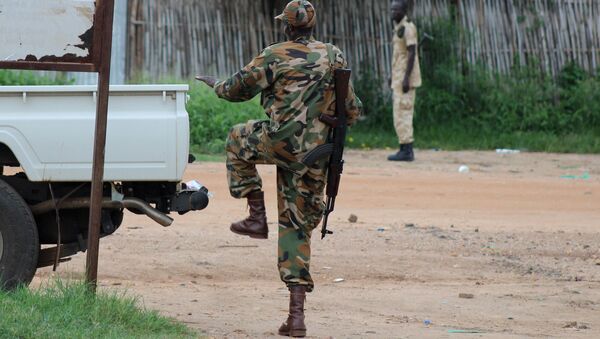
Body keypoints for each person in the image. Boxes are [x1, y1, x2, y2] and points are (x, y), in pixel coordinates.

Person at [195, 1, 362, 336]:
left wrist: (215, 84)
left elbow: (234, 90)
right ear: (312, 27)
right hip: (317, 153)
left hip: (280, 144)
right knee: (297, 226)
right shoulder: (334, 55)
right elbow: (353, 110)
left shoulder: (274, 53)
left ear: (287, 27)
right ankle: (297, 318)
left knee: (236, 139)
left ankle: (256, 216)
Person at [388, 0, 421, 162]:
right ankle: (403, 148)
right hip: (398, 76)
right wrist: (392, 75)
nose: (393, 12)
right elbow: (398, 55)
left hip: (405, 78)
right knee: (398, 113)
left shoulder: (408, 28)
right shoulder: (398, 28)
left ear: (404, 11)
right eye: (392, 9)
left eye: (396, 10)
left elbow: (412, 53)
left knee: (404, 112)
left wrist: (407, 77)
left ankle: (407, 150)